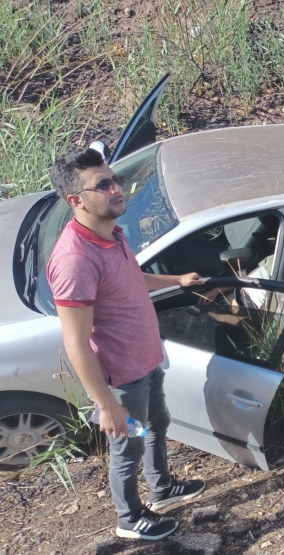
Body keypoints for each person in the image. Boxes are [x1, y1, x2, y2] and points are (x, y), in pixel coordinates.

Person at [46, 148, 207, 541]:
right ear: (76, 200)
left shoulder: (111, 234)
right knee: (128, 446)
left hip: (146, 362)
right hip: (122, 378)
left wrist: (176, 281)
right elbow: (77, 343)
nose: (117, 189)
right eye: (103, 185)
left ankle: (162, 488)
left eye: (114, 179)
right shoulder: (75, 261)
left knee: (158, 424)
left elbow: (132, 279)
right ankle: (130, 517)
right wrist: (107, 405)